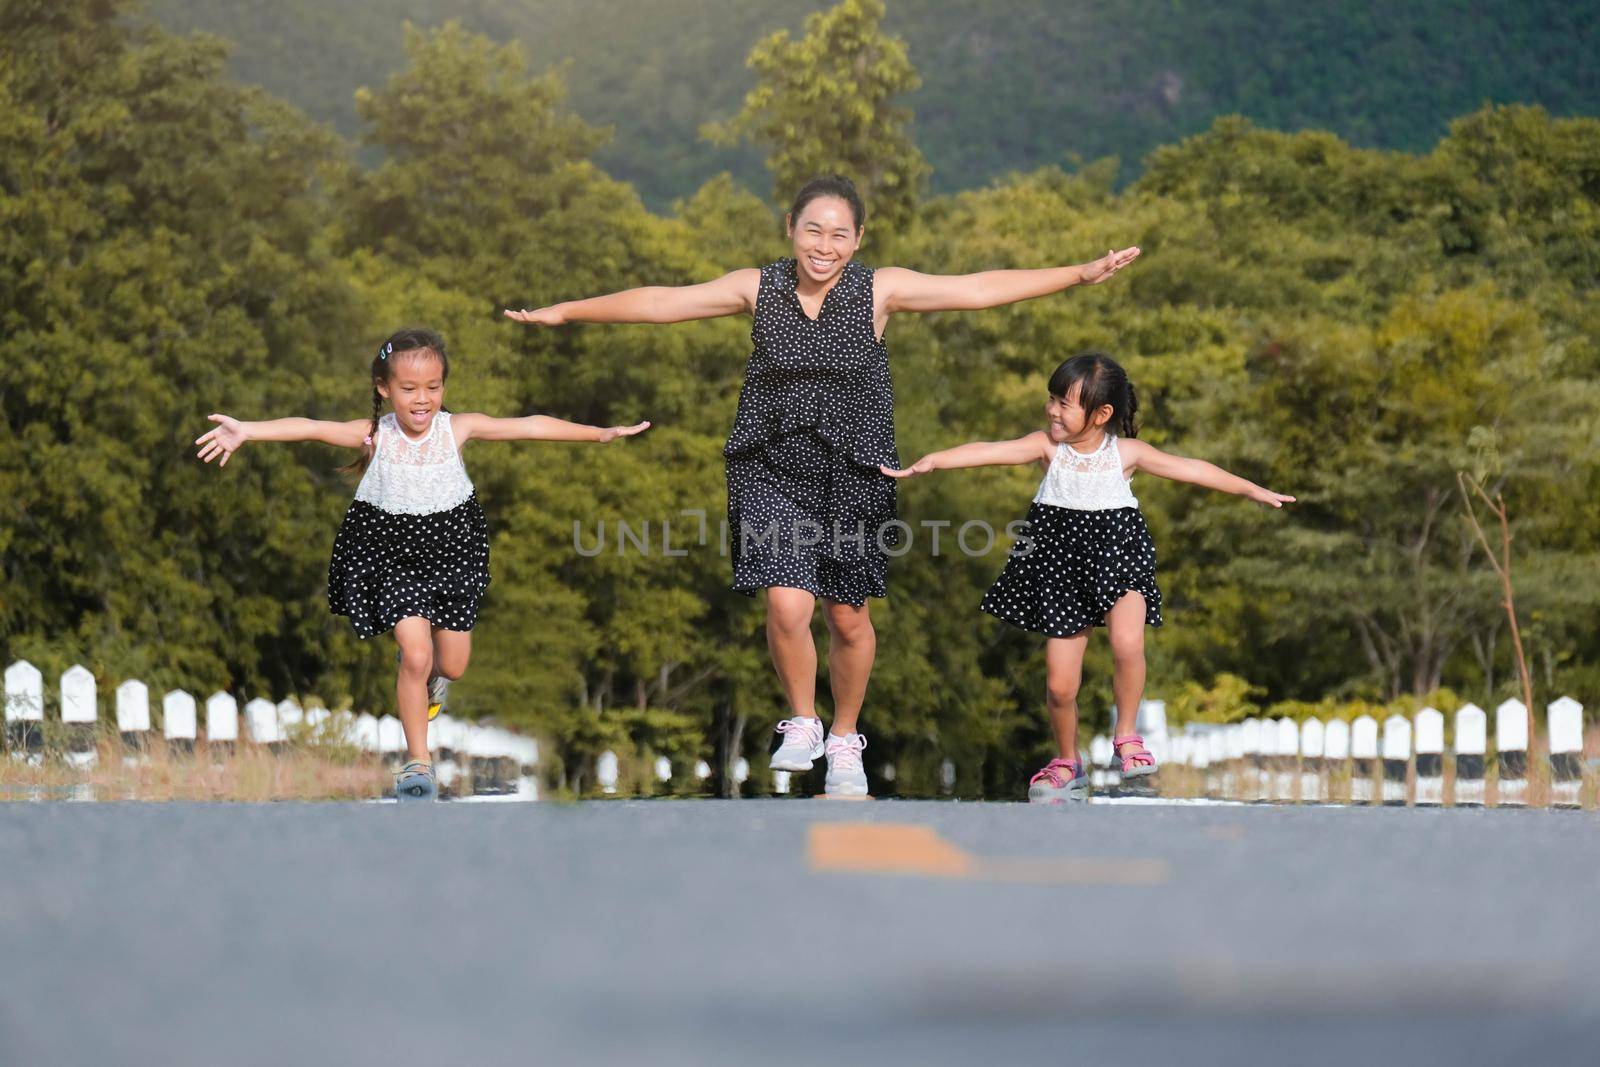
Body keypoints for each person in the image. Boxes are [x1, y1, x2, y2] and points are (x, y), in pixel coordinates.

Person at [505, 175, 1139, 796]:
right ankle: (804, 719)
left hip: (855, 470)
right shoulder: (757, 287)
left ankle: (843, 736)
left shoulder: (878, 292)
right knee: (786, 603)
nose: (824, 245)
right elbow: (658, 302)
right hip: (768, 463)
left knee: (848, 616)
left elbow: (977, 289)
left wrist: (1076, 274)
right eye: (813, 229)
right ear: (790, 229)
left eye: (839, 234)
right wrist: (567, 312)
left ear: (859, 239)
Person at [195, 327, 649, 800]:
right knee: (416, 654)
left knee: (451, 666)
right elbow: (308, 425)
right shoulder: (374, 434)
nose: (422, 399)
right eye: (409, 389)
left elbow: (530, 424)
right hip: (391, 556)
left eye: (433, 388)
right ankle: (418, 763)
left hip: (453, 553)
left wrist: (599, 434)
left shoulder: (457, 429)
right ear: (384, 388)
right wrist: (248, 430)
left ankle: (432, 681)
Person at [883, 352, 1293, 802]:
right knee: (1060, 686)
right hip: (1059, 569)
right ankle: (1067, 762)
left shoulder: (1126, 454)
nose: (1053, 411)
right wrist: (935, 460)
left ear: (1101, 415)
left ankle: (1128, 736)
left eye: (1065, 403)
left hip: (1121, 558)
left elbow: (1192, 468)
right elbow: (988, 450)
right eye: (1052, 399)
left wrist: (1251, 489)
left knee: (1128, 643)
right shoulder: (1047, 449)